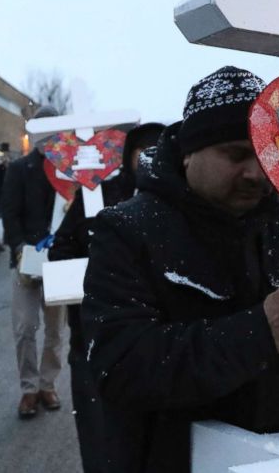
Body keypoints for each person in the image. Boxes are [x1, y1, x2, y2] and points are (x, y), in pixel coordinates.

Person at [81, 67, 279, 472]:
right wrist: (259, 332)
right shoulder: (128, 230)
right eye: (236, 154)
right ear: (189, 152)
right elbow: (119, 367)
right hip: (169, 459)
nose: (256, 173)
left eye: (265, 155)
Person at [49, 121, 164, 473]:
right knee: (100, 433)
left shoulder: (174, 200)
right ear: (128, 155)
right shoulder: (97, 194)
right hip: (93, 336)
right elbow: (60, 250)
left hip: (155, 340)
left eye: (157, 152)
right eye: (141, 152)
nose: (148, 160)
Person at [1, 106, 67, 419]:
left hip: (60, 262)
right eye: (41, 129)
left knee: (55, 331)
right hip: (26, 259)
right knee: (25, 327)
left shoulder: (69, 169)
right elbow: (10, 213)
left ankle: (47, 384)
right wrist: (18, 248)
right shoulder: (19, 169)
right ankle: (28, 389)